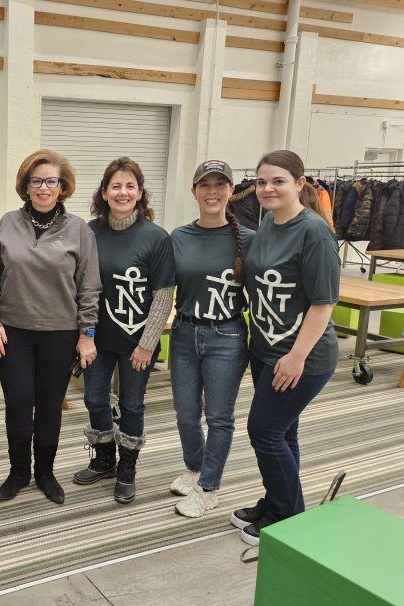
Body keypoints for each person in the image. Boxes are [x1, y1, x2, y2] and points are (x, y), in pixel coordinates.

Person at [233, 149, 339, 546]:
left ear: (300, 183)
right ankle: (278, 500)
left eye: (278, 180)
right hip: (265, 349)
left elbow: (323, 303)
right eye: (261, 181)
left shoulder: (314, 231)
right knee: (283, 432)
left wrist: (296, 357)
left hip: (302, 357)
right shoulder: (268, 224)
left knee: (263, 431)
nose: (267, 188)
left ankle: (287, 518)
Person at [0, 149, 101, 505]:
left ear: (63, 187)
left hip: (60, 333)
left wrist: (87, 334)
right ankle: (18, 471)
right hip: (13, 333)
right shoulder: (6, 222)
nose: (44, 187)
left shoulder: (79, 230)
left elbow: (89, 286)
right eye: (36, 180)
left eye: (51, 180)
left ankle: (45, 472)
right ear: (26, 185)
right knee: (18, 405)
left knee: (50, 405)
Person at [72, 157, 174, 505]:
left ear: (140, 193)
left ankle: (127, 467)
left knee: (132, 404)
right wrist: (82, 333)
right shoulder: (89, 232)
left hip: (137, 343)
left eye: (130, 186)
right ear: (104, 192)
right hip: (97, 339)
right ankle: (103, 460)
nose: (123, 192)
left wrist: (147, 344)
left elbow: (162, 296)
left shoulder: (155, 237)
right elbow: (79, 284)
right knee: (94, 398)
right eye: (116, 186)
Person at [168, 160, 255, 518]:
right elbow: (162, 288)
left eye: (221, 185)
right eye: (205, 185)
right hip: (185, 332)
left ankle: (209, 488)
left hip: (227, 335)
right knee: (186, 413)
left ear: (231, 191)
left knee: (219, 416)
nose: (212, 191)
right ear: (194, 191)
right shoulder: (180, 236)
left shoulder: (248, 240)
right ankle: (194, 467)